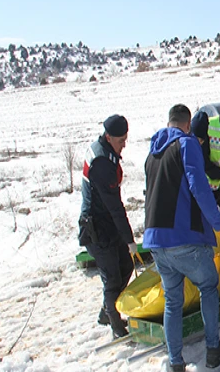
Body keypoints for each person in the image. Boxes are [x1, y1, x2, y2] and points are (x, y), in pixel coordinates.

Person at [143, 104, 220, 371]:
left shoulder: (153, 152)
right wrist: (218, 224)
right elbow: (199, 187)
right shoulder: (187, 144)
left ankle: (175, 362)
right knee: (208, 286)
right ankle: (213, 349)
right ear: (187, 123)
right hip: (185, 239)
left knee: (173, 301)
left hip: (155, 241)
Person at [78, 114, 135, 339]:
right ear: (108, 137)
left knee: (125, 267)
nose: (124, 145)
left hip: (106, 224)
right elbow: (114, 205)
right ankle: (115, 324)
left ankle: (106, 311)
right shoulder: (102, 163)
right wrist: (129, 239)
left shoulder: (105, 151)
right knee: (112, 277)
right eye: (121, 140)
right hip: (96, 229)